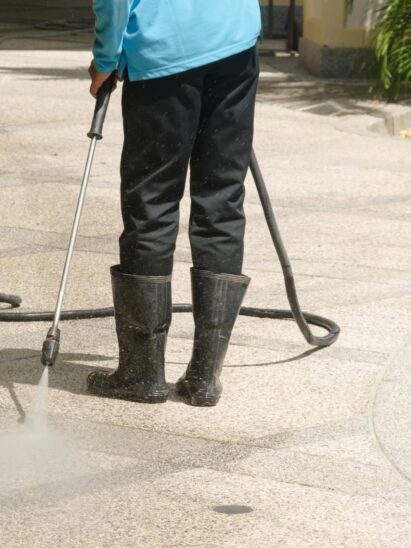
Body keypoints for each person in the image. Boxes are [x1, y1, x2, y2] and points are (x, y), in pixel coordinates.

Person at [85, 0, 262, 407]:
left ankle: (142, 373)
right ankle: (204, 379)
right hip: (234, 39)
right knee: (222, 197)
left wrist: (105, 58)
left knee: (152, 200)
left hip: (165, 51)